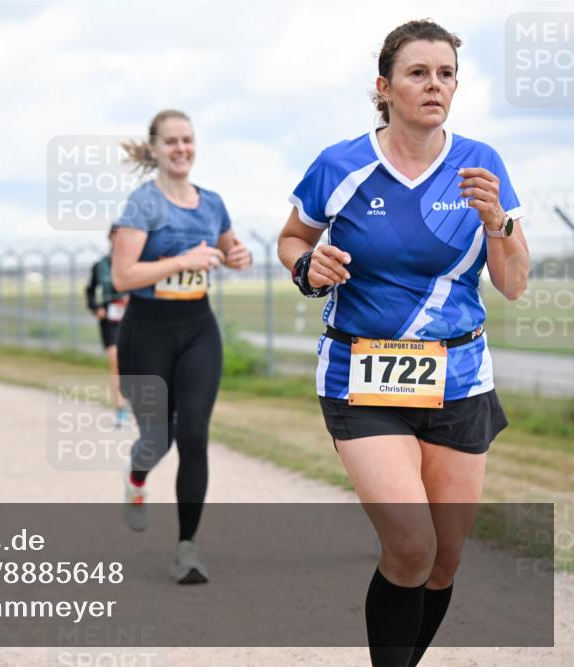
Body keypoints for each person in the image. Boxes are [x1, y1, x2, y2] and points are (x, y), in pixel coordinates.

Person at [277, 20, 529, 666]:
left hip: (460, 377)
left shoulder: (482, 165)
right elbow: (292, 239)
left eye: (446, 74)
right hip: (363, 376)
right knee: (411, 545)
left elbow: (513, 284)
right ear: (384, 88)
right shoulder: (341, 164)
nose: (435, 85)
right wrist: (309, 266)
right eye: (419, 73)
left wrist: (498, 223)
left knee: (443, 560)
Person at [111, 109, 252, 584]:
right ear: (154, 149)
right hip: (145, 333)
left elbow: (231, 251)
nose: (181, 149)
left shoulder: (211, 203)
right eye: (170, 141)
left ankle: (187, 548)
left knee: (193, 434)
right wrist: (182, 260)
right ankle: (137, 475)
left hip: (197, 329)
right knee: (158, 437)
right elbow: (122, 276)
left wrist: (239, 255)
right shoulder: (142, 205)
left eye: (187, 140)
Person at [86, 225, 130, 427]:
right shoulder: (100, 266)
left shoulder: (134, 263)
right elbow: (90, 291)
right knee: (115, 362)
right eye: (115, 237)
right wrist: (96, 308)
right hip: (109, 319)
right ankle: (120, 409)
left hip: (131, 317)